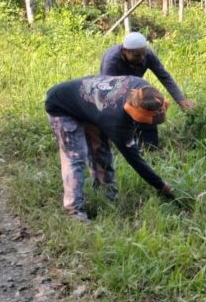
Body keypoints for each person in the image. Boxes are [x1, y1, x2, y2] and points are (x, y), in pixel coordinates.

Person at [45, 75, 176, 221]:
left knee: (101, 151)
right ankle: (74, 211)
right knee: (75, 157)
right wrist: (161, 185)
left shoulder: (145, 90)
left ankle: (107, 196)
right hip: (61, 106)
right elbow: (134, 159)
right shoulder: (115, 119)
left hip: (92, 107)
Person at [100, 31, 196, 148]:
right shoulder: (111, 61)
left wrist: (181, 100)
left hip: (136, 86)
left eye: (143, 54)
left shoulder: (147, 55)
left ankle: (149, 146)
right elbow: (107, 92)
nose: (141, 58)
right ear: (125, 52)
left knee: (148, 104)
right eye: (137, 56)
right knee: (122, 115)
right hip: (115, 87)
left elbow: (164, 76)